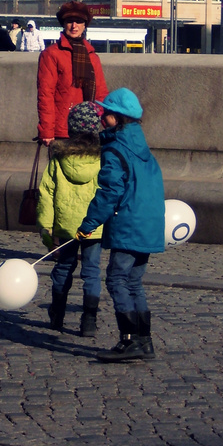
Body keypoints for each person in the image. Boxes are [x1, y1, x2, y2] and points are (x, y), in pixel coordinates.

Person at [77, 87, 166, 363]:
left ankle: (129, 340)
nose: (102, 117)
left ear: (118, 118)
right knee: (134, 282)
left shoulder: (116, 149)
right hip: (149, 224)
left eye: (106, 113)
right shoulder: (144, 150)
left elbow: (109, 192)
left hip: (129, 223)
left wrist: (89, 224)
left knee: (117, 279)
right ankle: (145, 341)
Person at [37, 102, 103, 336]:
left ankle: (57, 314)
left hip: (65, 225)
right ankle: (89, 321)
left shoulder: (58, 158)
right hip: (94, 227)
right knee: (92, 272)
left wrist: (46, 228)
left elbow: (47, 193)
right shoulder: (103, 158)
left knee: (64, 268)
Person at [36, 1, 108, 144]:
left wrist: (108, 127)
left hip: (88, 128)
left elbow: (101, 94)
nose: (74, 26)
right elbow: (45, 94)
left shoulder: (92, 57)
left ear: (84, 25)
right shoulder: (52, 54)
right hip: (62, 129)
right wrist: (47, 130)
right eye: (70, 21)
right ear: (63, 24)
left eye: (79, 21)